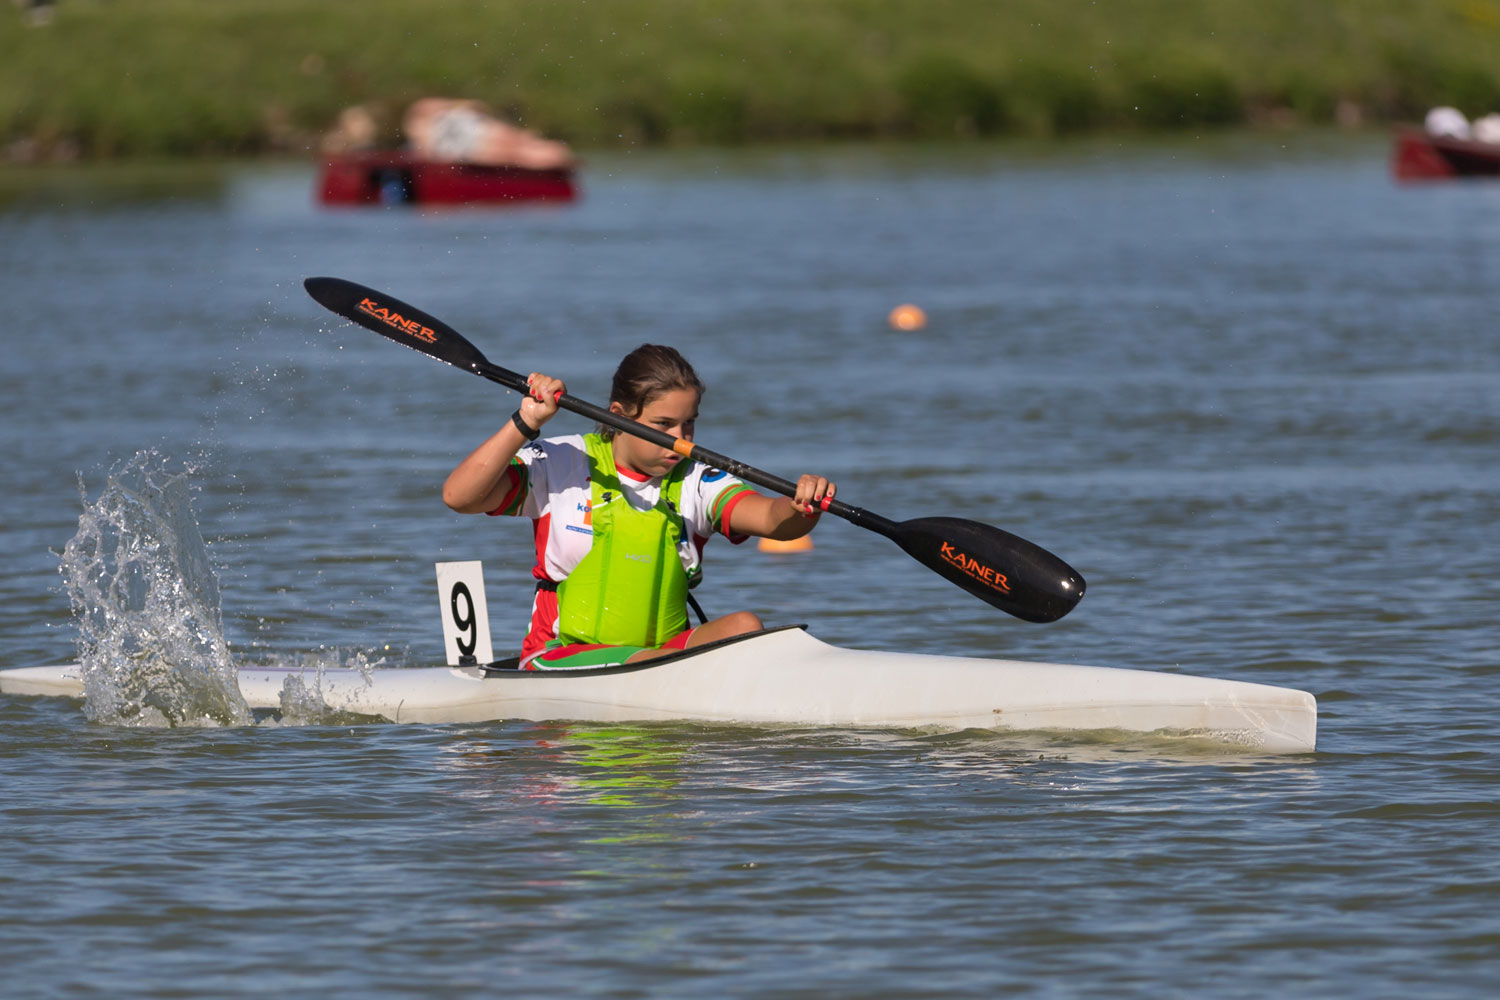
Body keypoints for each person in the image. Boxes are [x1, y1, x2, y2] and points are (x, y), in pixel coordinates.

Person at [443, 344, 835, 669]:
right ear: (619, 416)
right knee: (646, 661)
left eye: (689, 424)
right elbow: (460, 497)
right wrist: (526, 422)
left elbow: (771, 519)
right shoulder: (564, 462)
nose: (680, 440)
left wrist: (800, 507)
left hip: (659, 659)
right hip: (559, 656)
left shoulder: (696, 480)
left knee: (745, 625)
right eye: (663, 425)